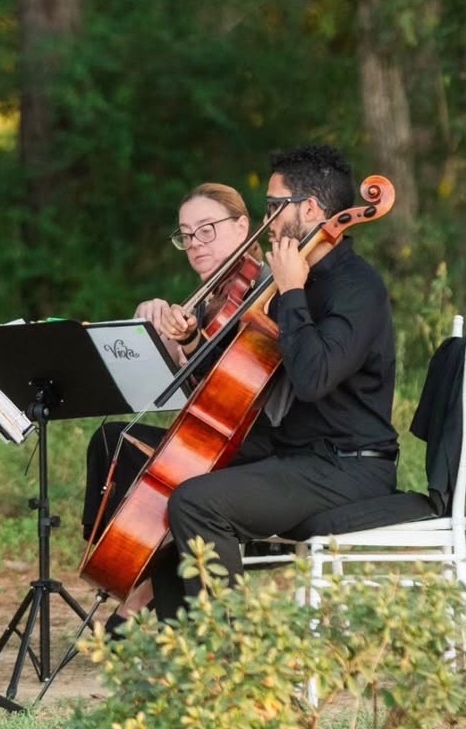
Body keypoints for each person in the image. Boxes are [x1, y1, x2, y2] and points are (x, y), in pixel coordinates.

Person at [148, 144, 399, 619]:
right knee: (168, 469)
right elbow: (243, 370)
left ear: (309, 208)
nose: (266, 221)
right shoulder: (297, 276)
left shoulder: (356, 287)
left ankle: (233, 655)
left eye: (272, 207)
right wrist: (189, 341)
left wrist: (292, 291)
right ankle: (173, 636)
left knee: (197, 503)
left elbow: (313, 378)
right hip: (295, 451)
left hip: (349, 467)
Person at [81, 182, 261, 625]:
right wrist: (159, 338)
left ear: (243, 227)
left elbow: (235, 377)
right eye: (186, 235)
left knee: (142, 459)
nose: (196, 245)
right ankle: (123, 569)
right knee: (113, 440)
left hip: (253, 443)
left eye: (207, 230)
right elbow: (188, 386)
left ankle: (139, 593)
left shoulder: (264, 291)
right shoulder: (212, 298)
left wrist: (191, 341)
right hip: (209, 432)